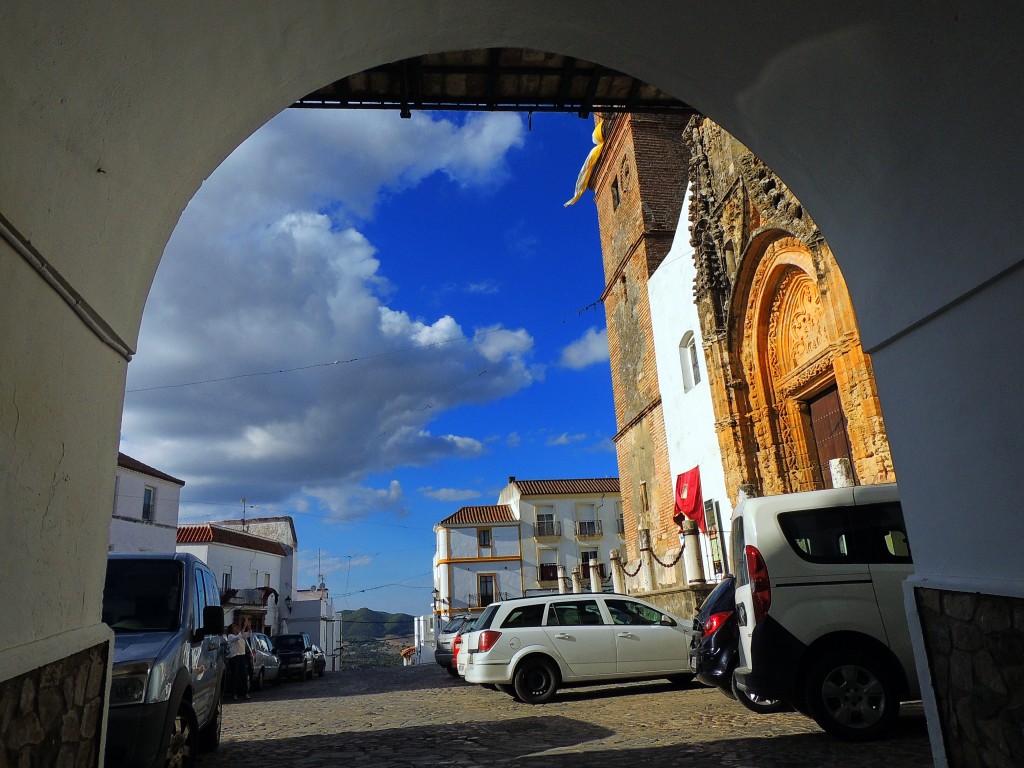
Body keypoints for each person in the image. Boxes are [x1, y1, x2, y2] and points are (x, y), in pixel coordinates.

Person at [226, 617, 252, 700]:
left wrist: (248, 626)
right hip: (234, 657)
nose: (236, 628)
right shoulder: (230, 636)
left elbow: (249, 634)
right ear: (231, 629)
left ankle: (245, 693)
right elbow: (236, 638)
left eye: (236, 626)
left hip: (242, 656)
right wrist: (244, 627)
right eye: (234, 627)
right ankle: (234, 693)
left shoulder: (241, 635)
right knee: (235, 676)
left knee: (244, 675)